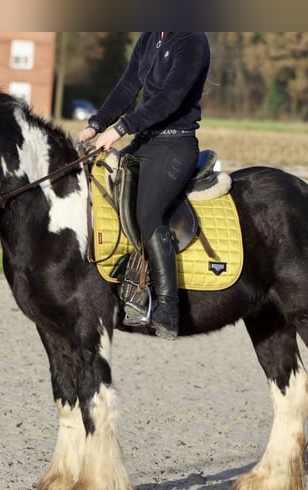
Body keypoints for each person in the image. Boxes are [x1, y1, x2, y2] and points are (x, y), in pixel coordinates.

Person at [77, 32, 210, 340]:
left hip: (175, 144)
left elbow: (170, 96)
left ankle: (167, 308)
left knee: (149, 213)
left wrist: (121, 128)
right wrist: (96, 124)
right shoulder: (150, 37)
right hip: (145, 142)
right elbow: (127, 87)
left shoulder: (191, 40)